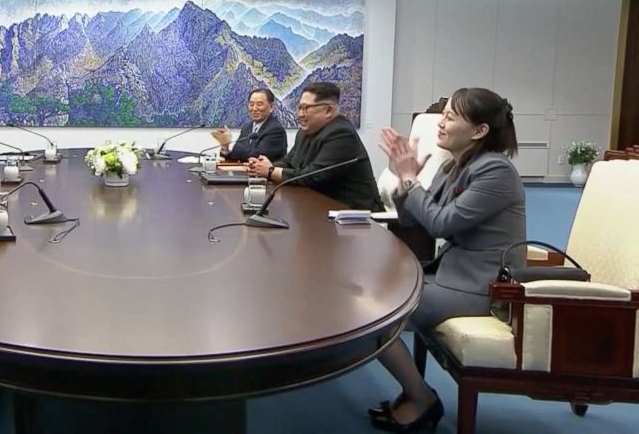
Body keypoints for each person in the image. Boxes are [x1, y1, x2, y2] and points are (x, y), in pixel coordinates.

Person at [370, 87, 526, 432]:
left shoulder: (496, 172)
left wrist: (411, 179)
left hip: (483, 287)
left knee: (374, 317)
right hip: (451, 275)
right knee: (370, 297)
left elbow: (443, 222)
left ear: (480, 130)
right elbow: (414, 221)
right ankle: (415, 394)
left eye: (451, 117)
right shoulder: (454, 167)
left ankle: (421, 398)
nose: (440, 124)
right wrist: (403, 180)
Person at [247, 82, 383, 210]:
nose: (300, 114)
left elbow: (313, 177)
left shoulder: (341, 134)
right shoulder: (305, 132)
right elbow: (289, 162)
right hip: (319, 209)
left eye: (306, 108)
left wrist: (271, 171)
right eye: (299, 107)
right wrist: (262, 166)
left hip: (355, 218)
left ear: (328, 110)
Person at [211, 88, 287, 162]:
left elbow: (256, 156)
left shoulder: (275, 130)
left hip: (265, 174)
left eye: (259, 104)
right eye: (251, 104)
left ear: (271, 107)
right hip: (245, 173)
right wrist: (225, 147)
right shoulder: (247, 128)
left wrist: (230, 142)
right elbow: (236, 157)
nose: (254, 109)